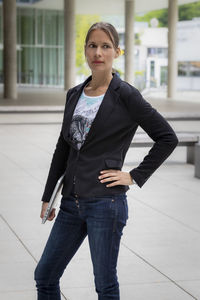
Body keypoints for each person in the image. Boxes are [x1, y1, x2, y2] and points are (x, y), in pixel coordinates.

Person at [34, 22, 178, 300]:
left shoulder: (126, 95)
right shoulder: (74, 94)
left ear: (117, 52)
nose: (98, 52)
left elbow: (167, 138)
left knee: (105, 285)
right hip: (70, 203)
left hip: (106, 204)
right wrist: (48, 196)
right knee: (45, 276)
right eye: (92, 45)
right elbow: (63, 149)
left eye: (105, 46)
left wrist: (134, 176)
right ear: (85, 51)